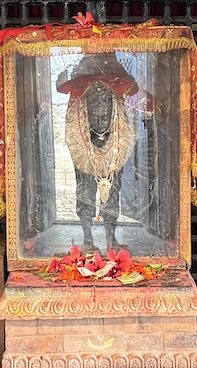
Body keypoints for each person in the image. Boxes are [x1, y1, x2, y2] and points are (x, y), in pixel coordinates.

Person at [57, 54, 138, 253]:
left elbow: (132, 90)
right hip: (87, 145)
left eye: (105, 116)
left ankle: (111, 239)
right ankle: (88, 239)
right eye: (96, 116)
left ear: (114, 113)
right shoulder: (83, 74)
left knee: (113, 193)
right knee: (85, 191)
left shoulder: (113, 70)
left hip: (113, 144)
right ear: (85, 114)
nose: (101, 122)